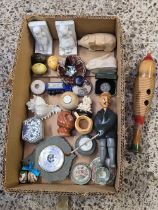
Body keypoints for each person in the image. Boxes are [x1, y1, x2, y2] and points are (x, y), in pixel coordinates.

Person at [94, 92, 117, 168]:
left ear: (110, 102)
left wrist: (103, 129)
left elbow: (111, 122)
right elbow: (96, 124)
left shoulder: (112, 114)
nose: (106, 101)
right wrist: (99, 130)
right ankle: (102, 162)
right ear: (100, 101)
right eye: (103, 99)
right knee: (102, 146)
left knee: (111, 145)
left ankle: (113, 162)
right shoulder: (98, 114)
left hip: (110, 133)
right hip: (101, 134)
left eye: (108, 99)